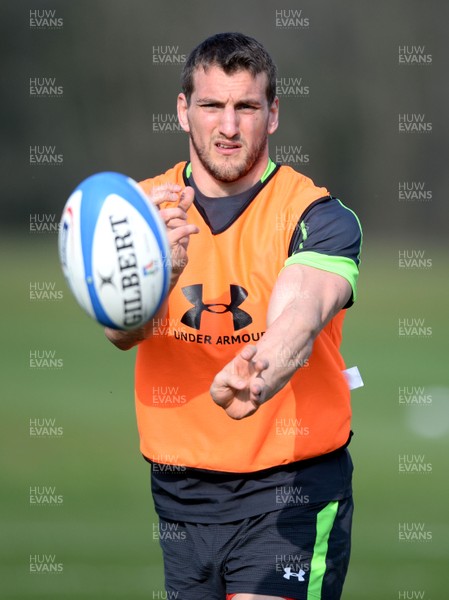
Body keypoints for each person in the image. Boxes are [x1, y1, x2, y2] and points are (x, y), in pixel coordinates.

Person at [105, 32, 362, 600]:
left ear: (273, 114)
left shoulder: (316, 214)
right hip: (180, 493)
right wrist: (158, 277)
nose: (228, 126)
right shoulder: (141, 212)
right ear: (182, 111)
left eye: (246, 106)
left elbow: (304, 303)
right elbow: (120, 333)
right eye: (212, 106)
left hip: (292, 486)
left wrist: (260, 369)